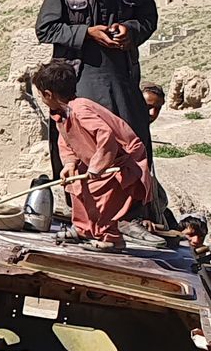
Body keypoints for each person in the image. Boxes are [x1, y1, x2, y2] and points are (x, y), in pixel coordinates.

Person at [38, 0, 159, 182]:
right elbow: (46, 29)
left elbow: (148, 19)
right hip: (77, 78)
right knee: (80, 148)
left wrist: (130, 30)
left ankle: (133, 204)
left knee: (129, 145)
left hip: (120, 76)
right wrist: (87, 33)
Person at [31, 60, 152, 251]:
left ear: (48, 94)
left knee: (103, 197)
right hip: (98, 160)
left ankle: (112, 238)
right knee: (77, 186)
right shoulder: (62, 113)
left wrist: (97, 166)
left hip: (120, 160)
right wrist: (70, 163)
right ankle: (84, 229)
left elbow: (106, 135)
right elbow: (67, 140)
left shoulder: (81, 109)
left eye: (40, 95)